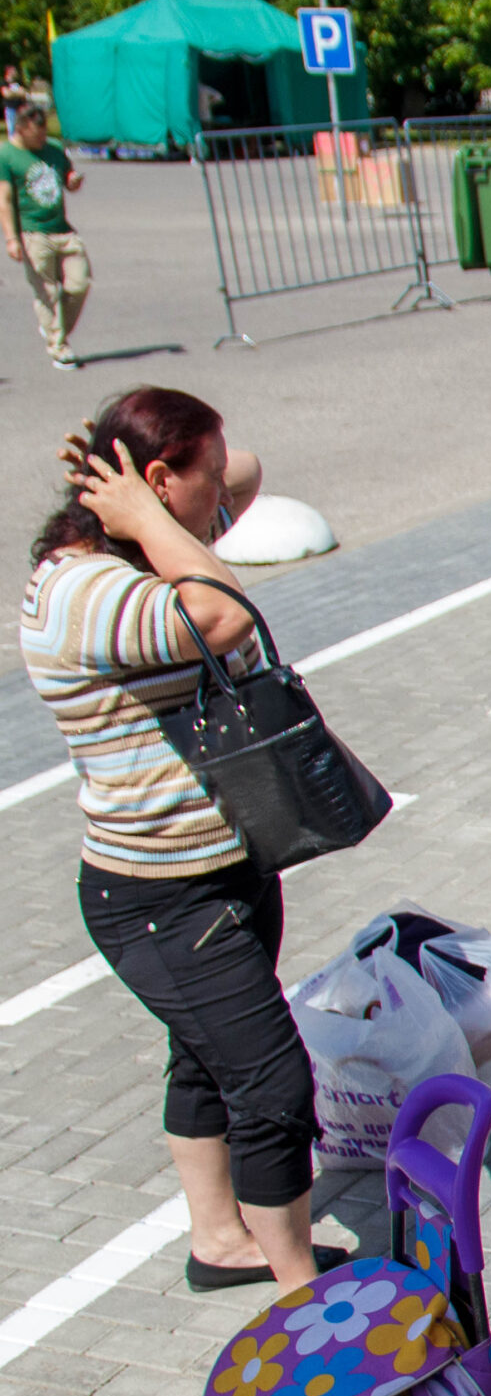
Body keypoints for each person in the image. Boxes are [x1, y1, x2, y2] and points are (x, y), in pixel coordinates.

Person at [22, 389, 345, 1294]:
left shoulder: (154, 536)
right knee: (273, 1082)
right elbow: (222, 616)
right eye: (201, 474)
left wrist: (121, 486)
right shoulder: (89, 588)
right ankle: (296, 1290)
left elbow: (246, 472)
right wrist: (136, 504)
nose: (227, 488)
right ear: (165, 483)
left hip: (225, 863)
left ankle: (219, 1237)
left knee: (207, 1056)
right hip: (160, 893)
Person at [0, 106, 87, 370]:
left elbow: (66, 174)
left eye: (43, 134)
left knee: (79, 283)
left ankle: (52, 327)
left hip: (63, 230)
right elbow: (4, 200)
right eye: (36, 136)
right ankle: (58, 347)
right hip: (32, 233)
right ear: (22, 129)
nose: (41, 140)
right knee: (47, 292)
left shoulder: (52, 148)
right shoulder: (6, 154)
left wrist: (72, 180)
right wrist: (11, 239)